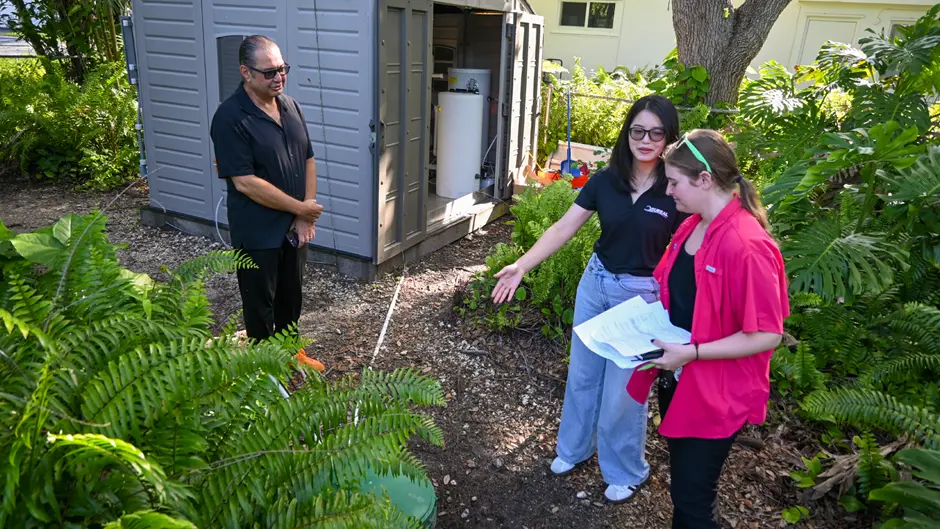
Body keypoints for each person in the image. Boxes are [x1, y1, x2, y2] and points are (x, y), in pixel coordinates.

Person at [490, 95, 683, 503]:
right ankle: (574, 450)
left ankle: (625, 470)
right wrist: (522, 266)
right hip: (595, 285)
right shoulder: (605, 180)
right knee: (582, 375)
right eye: (637, 130)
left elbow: (690, 250)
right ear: (627, 132)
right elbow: (564, 228)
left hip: (640, 298)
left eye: (655, 132)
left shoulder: (675, 189)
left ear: (668, 137)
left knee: (623, 392)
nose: (645, 140)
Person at [626, 129, 789, 528]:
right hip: (680, 375)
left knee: (693, 499)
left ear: (705, 180)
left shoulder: (746, 244)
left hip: (716, 391)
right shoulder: (692, 225)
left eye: (675, 182)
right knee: (684, 487)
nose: (668, 191)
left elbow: (768, 333)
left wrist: (693, 353)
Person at [210, 35, 325, 371]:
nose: (279, 77)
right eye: (270, 72)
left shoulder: (290, 106)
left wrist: (306, 212)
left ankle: (292, 355)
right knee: (261, 305)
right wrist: (300, 209)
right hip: (257, 232)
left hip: (293, 226)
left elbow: (308, 159)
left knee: (292, 296)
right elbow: (245, 183)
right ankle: (265, 372)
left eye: (283, 69)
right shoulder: (230, 117)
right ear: (246, 73)